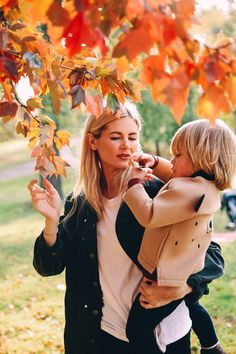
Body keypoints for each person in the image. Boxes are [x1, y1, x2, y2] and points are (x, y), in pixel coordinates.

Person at [28, 104, 225, 354]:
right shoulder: (80, 204)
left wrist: (183, 287)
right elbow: (48, 267)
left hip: (165, 335)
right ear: (92, 141)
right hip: (103, 336)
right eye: (115, 137)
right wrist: (50, 221)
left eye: (132, 137)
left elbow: (212, 254)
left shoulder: (155, 192)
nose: (127, 145)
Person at [121, 118, 236, 354]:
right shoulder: (205, 185)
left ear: (202, 157)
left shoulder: (189, 191)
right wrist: (154, 162)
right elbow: (176, 174)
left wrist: (133, 184)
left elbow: (149, 213)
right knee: (191, 304)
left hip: (164, 275)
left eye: (178, 154)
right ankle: (211, 345)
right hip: (186, 266)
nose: (171, 161)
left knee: (137, 328)